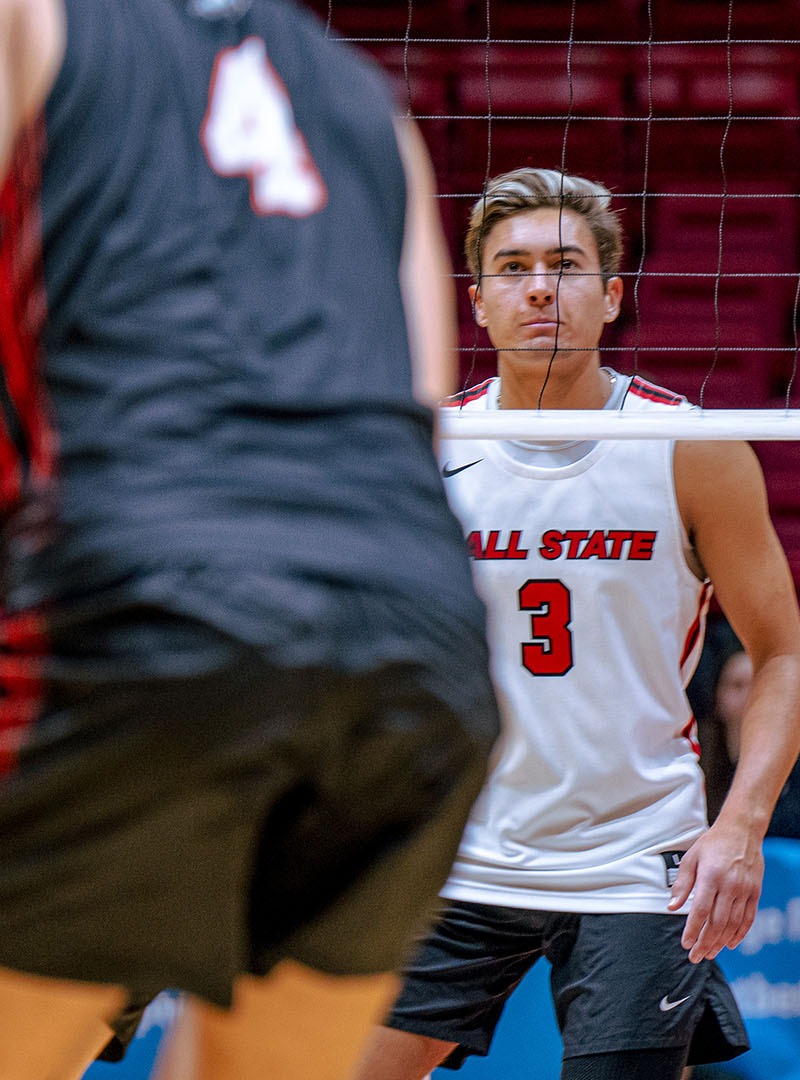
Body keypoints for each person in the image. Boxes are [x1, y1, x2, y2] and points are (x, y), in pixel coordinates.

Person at [0, 0, 499, 1078]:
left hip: (143, 602)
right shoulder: (371, 102)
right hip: (419, 642)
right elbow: (420, 415)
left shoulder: (29, 29)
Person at [352, 167, 800, 1080]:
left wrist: (741, 826)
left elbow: (782, 657)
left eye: (565, 265)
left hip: (637, 861)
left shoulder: (689, 447)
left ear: (610, 295)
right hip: (462, 855)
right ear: (478, 300)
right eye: (512, 267)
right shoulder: (427, 452)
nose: (538, 287)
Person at [698, 646, 800, 842]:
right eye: (738, 685)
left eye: (758, 685)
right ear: (718, 697)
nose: (749, 695)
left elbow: (799, 828)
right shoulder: (699, 755)